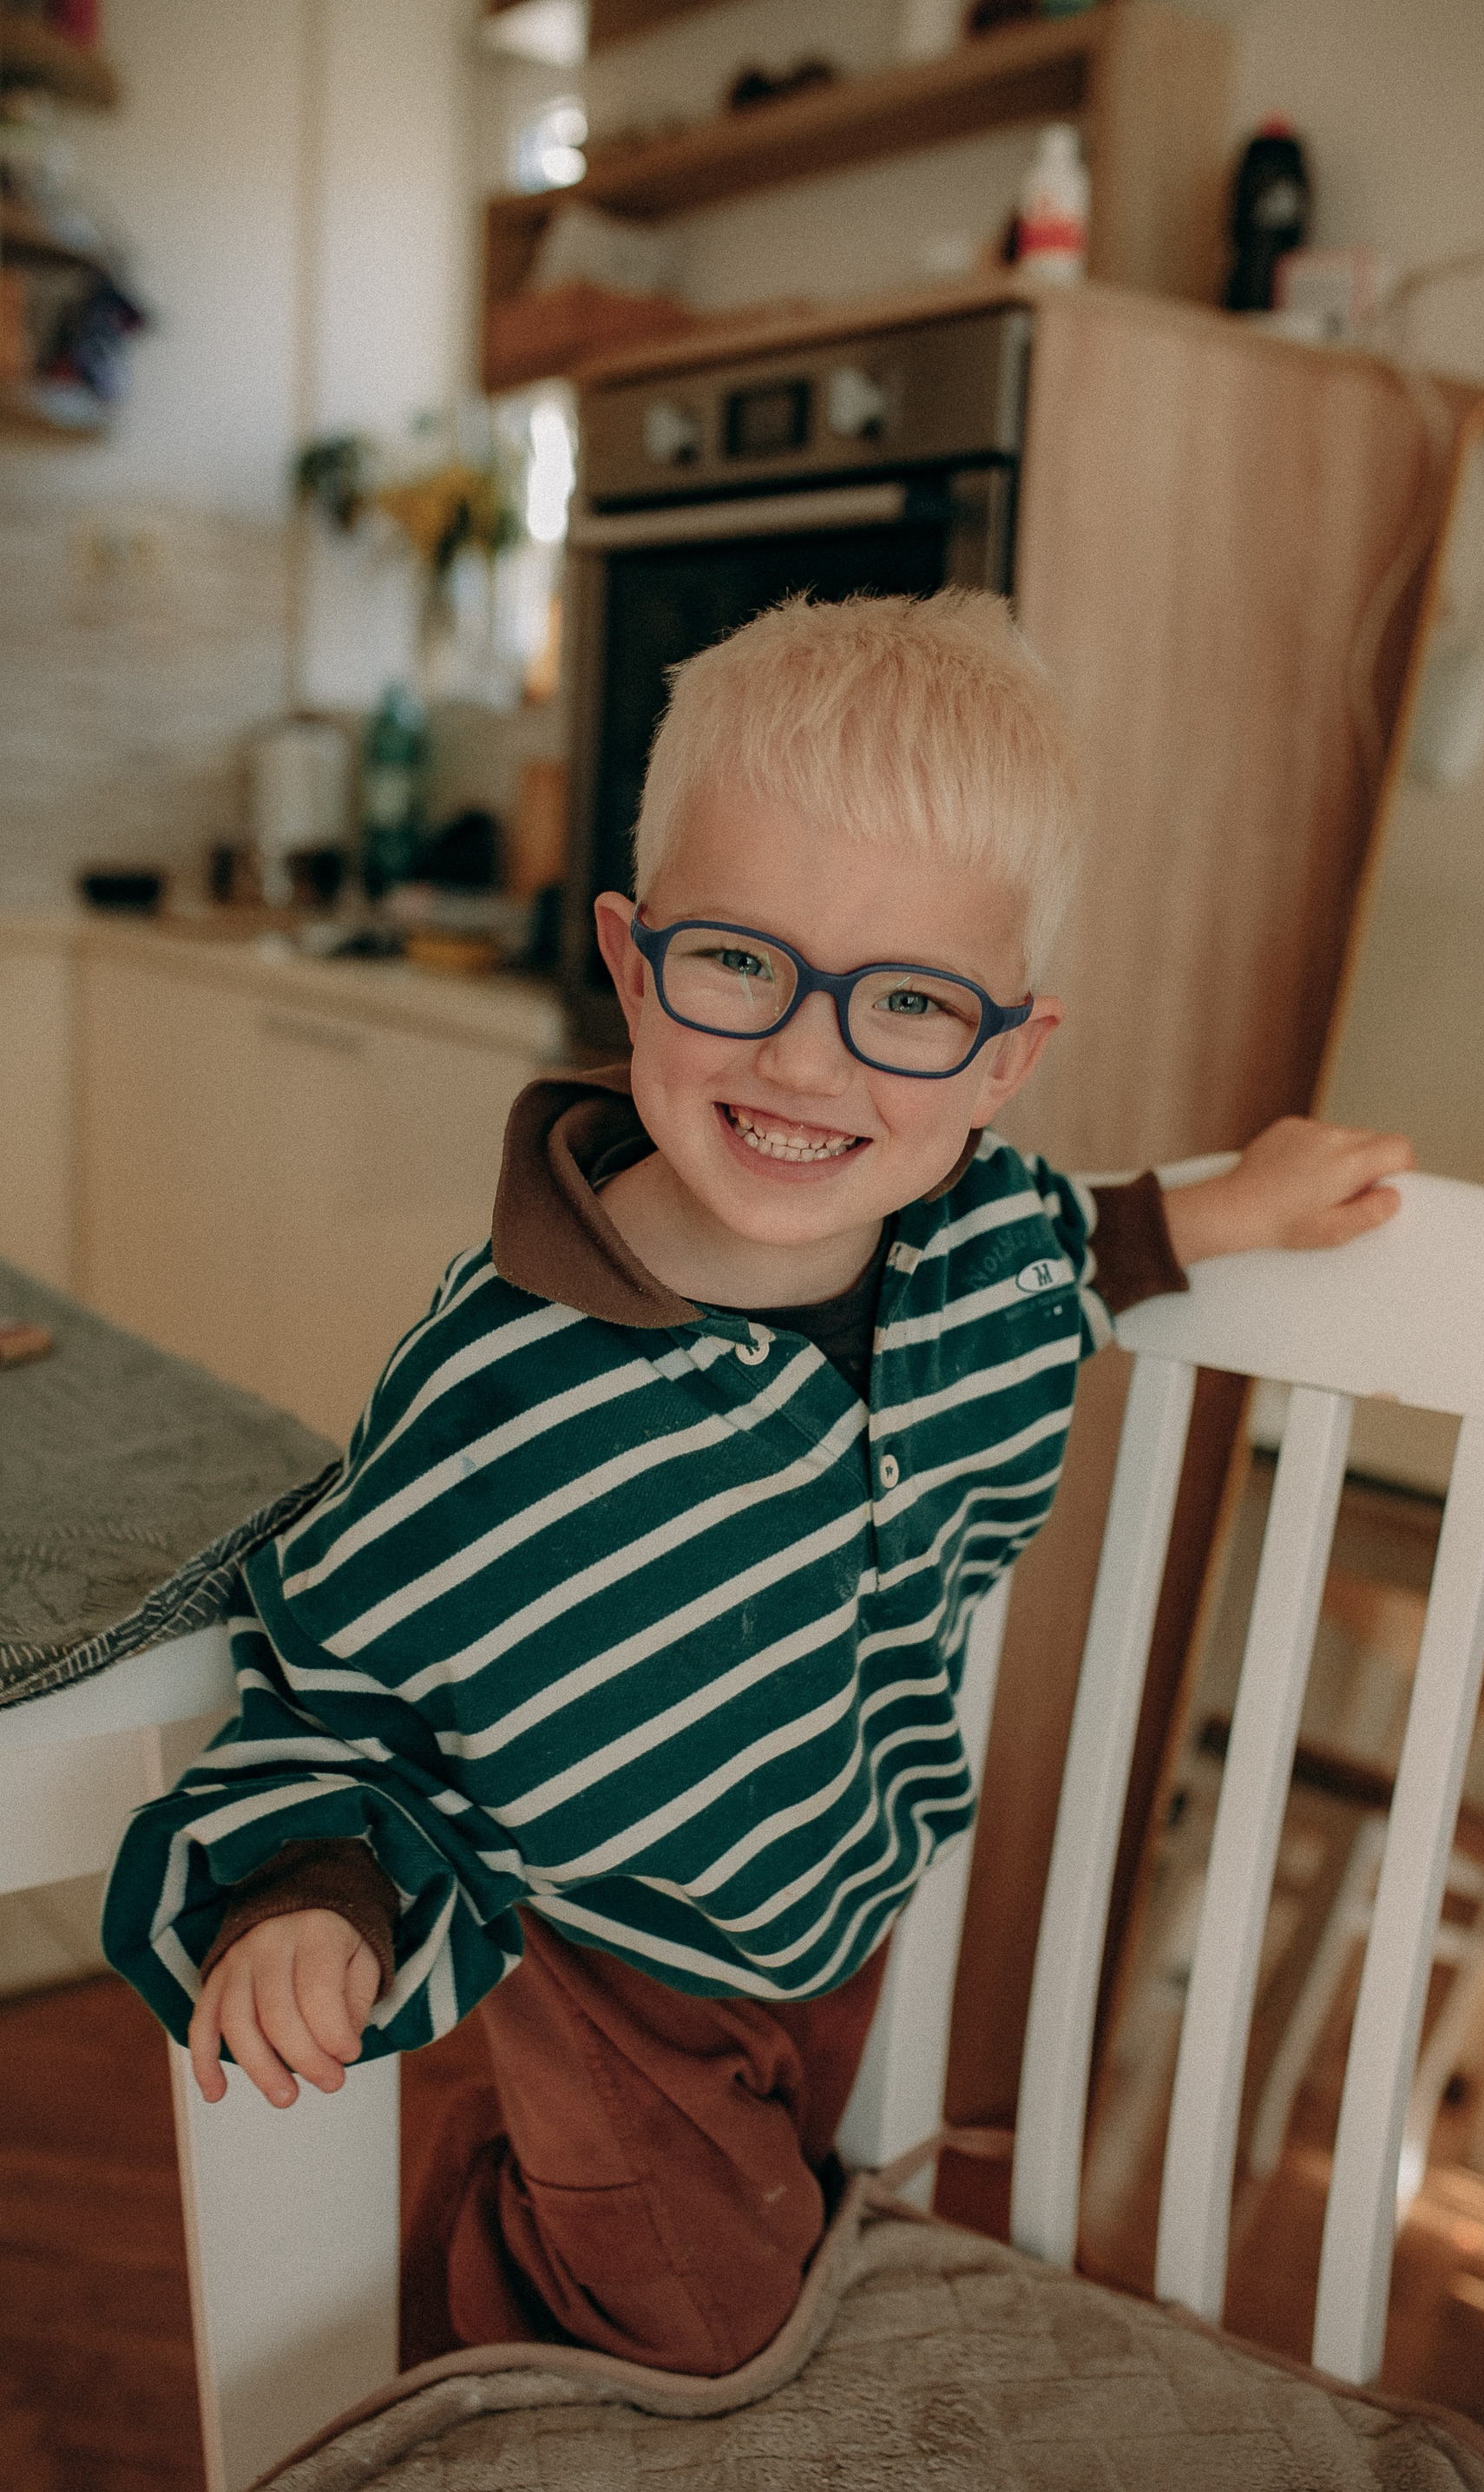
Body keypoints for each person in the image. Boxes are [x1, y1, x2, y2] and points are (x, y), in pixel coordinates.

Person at [102, 590, 1410, 2378]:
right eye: (740, 963)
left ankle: (522, 2265)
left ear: (1005, 1059)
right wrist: (308, 1898)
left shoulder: (976, 1251)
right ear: (635, 961)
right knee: (701, 2333)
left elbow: (1085, 1246)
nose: (809, 1058)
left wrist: (1235, 1206)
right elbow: (338, 1679)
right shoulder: (510, 1384)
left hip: (836, 1887)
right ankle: (478, 2377)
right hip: (613, 1950)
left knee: (735, 2232)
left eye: (909, 1002)